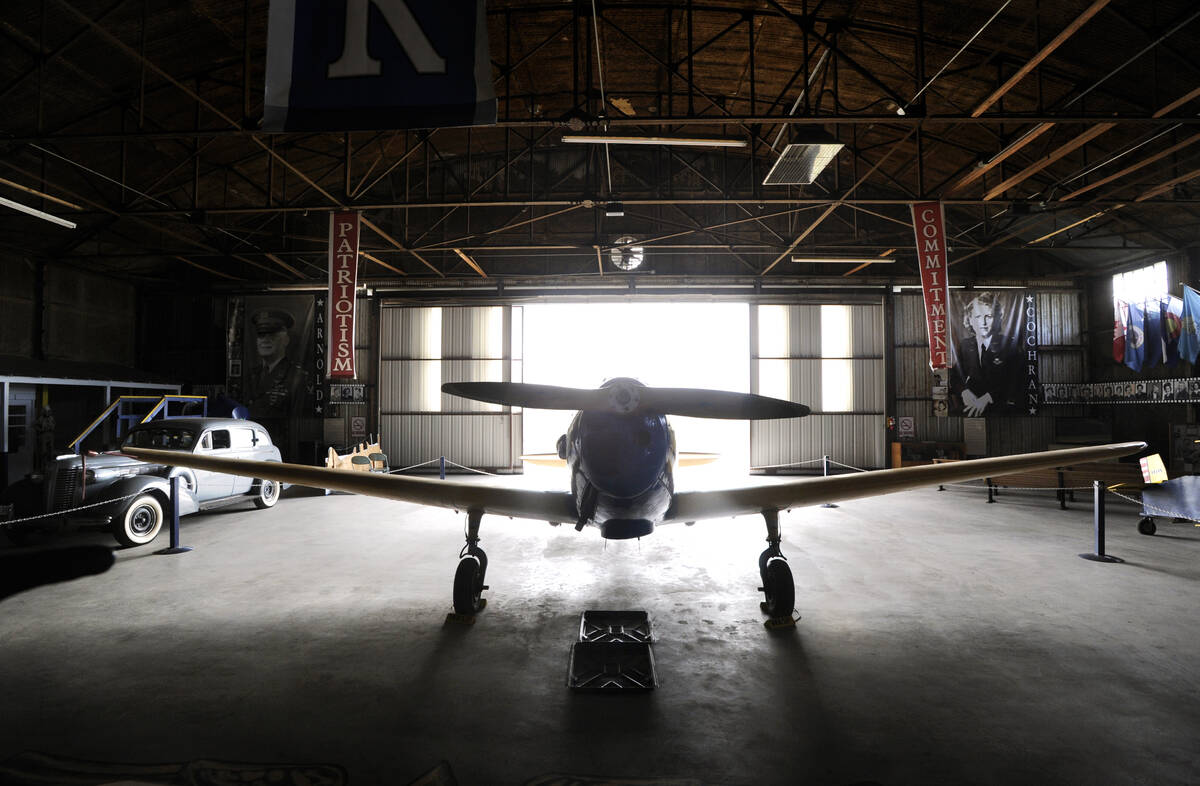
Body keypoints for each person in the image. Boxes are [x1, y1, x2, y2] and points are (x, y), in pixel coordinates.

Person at [952, 292, 1021, 417]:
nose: (983, 322)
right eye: (978, 317)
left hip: (1000, 413)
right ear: (970, 320)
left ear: (996, 319)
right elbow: (955, 376)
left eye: (988, 316)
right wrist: (964, 392)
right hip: (971, 409)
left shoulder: (1010, 345)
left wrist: (988, 398)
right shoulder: (965, 345)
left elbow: (1015, 380)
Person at [245, 309, 305, 419]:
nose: (265, 340)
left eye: (272, 335)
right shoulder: (251, 375)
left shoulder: (297, 376)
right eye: (261, 335)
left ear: (285, 340)